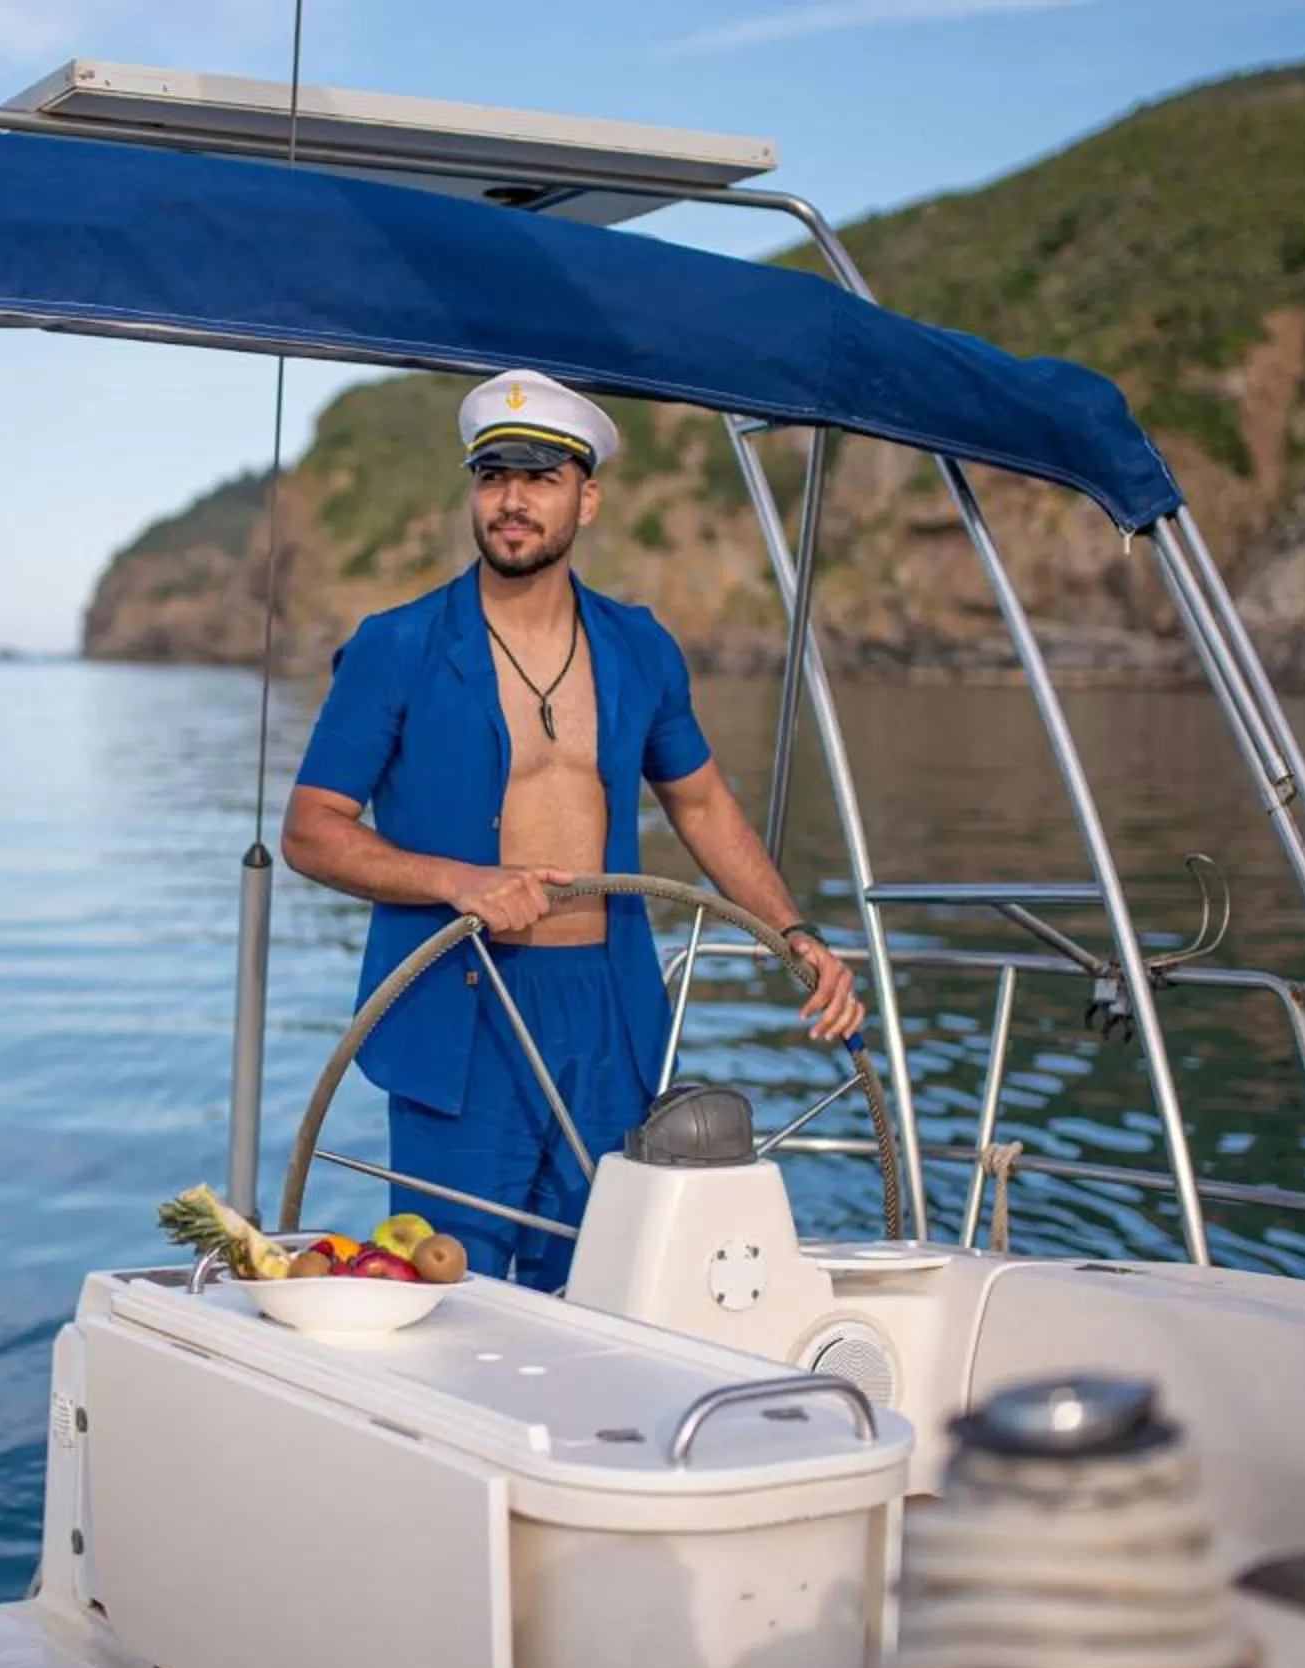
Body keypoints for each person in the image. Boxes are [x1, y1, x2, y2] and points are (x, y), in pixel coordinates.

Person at [282, 370, 868, 1290]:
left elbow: (703, 805)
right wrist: (459, 881)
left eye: (541, 477)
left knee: (602, 1295)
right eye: (492, 477)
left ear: (586, 498)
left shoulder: (640, 647)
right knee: (450, 1301)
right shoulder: (395, 647)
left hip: (609, 1015)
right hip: (461, 1021)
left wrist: (792, 934)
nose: (511, 501)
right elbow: (311, 832)